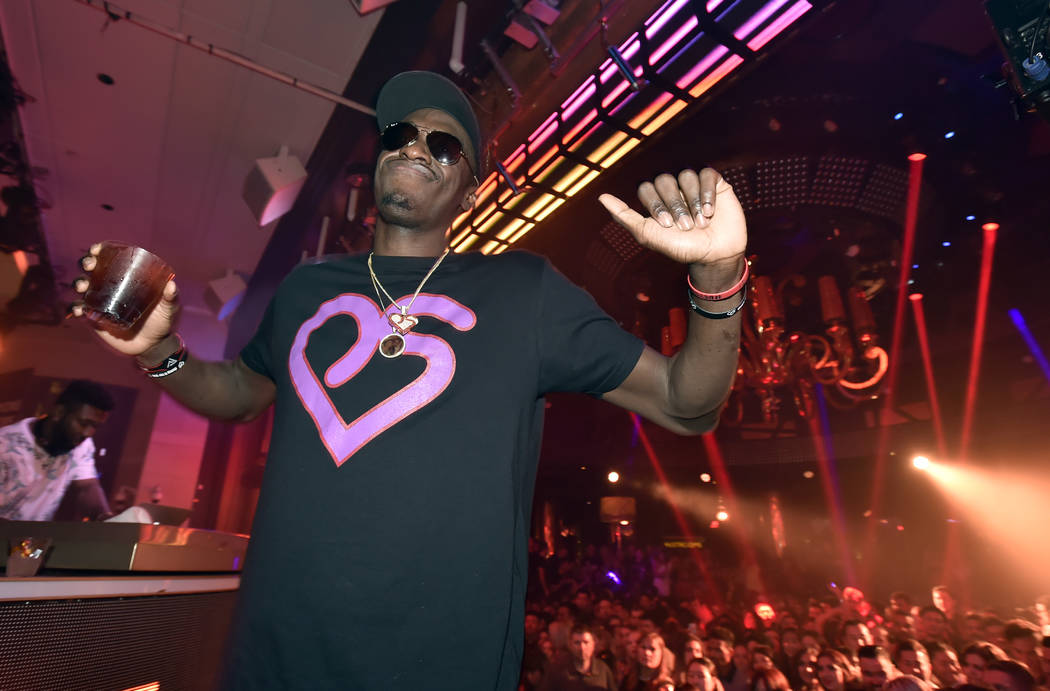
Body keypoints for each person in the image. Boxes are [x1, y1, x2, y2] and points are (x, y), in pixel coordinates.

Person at [72, 70, 748, 689]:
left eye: (445, 145)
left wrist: (717, 280)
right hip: (276, 654)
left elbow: (687, 404)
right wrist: (159, 349)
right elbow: (241, 393)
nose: (415, 147)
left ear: (471, 189)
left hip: (439, 663)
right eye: (399, 134)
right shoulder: (309, 287)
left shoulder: (524, 292)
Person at [0, 379, 113, 521]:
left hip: (36, 541)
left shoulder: (82, 445)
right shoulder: (5, 445)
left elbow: (87, 488)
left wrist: (105, 518)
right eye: (84, 423)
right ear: (59, 412)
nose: (88, 433)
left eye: (95, 427)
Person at [538, 625, 617, 691]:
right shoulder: (557, 669)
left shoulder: (603, 669)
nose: (582, 647)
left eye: (586, 642)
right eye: (577, 643)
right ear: (570, 645)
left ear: (593, 644)